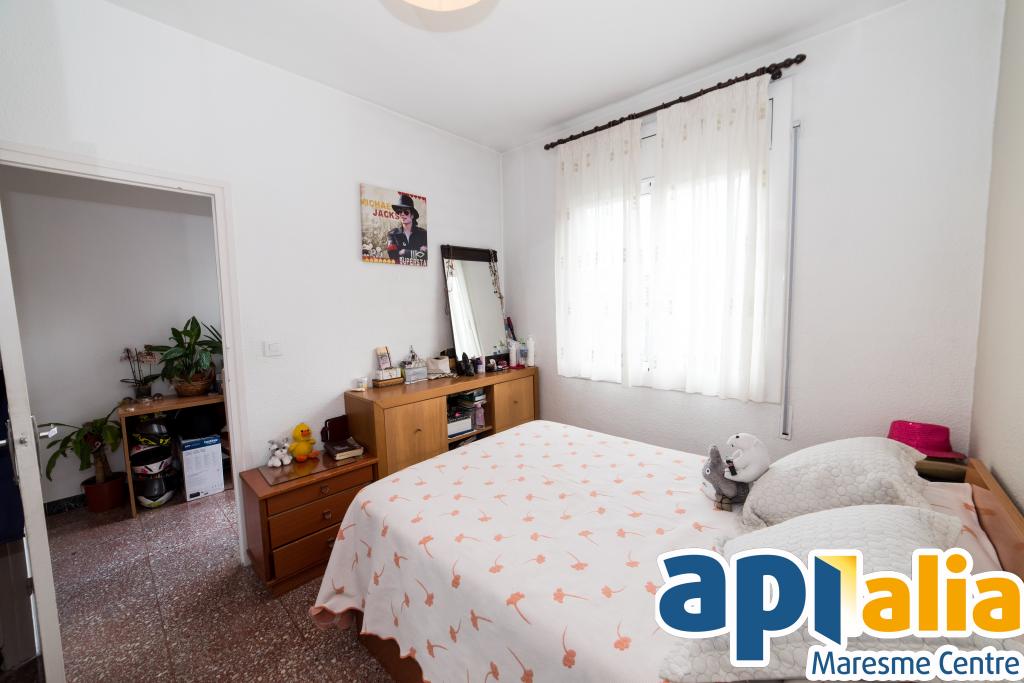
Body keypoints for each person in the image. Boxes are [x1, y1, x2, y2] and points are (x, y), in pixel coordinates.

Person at [387, 194, 427, 264]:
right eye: (400, 212)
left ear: (412, 215)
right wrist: (417, 252)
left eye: (406, 212)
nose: (402, 214)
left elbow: (426, 256)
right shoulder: (392, 234)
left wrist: (404, 252)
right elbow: (393, 255)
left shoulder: (423, 234)